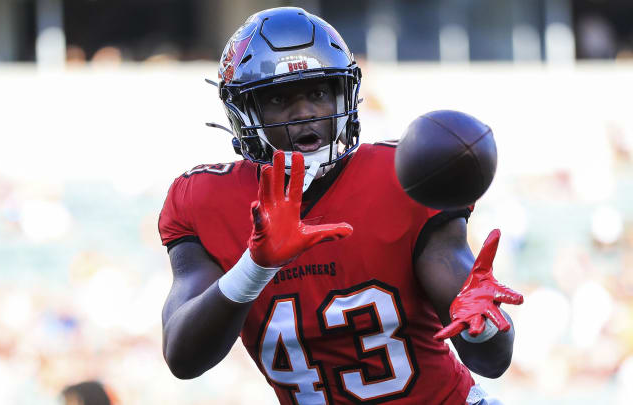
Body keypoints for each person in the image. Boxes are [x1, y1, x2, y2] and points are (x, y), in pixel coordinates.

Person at [158, 7, 523, 405]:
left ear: (343, 93)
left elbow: (490, 359)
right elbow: (183, 356)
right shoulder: (205, 199)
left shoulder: (399, 180)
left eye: (318, 92)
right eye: (280, 98)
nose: (306, 113)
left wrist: (483, 325)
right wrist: (256, 266)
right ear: (245, 111)